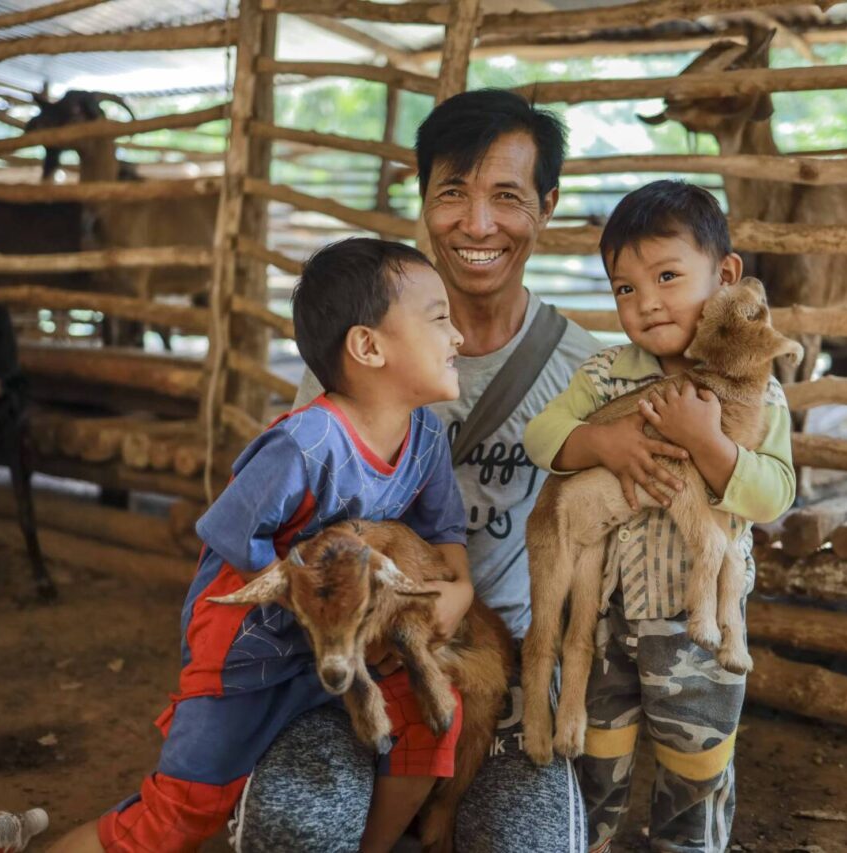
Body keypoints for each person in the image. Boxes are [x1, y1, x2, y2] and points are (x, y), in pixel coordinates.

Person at [239, 90, 687, 853]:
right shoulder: (354, 357)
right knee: (295, 828)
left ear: (545, 206)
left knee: (529, 845)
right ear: (424, 203)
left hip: (508, 680)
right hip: (359, 669)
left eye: (507, 197)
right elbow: (289, 534)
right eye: (453, 193)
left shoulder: (595, 374)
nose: (478, 225)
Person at [46, 238, 473, 852]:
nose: (457, 335)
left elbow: (444, 532)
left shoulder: (426, 438)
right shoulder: (304, 445)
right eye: (438, 318)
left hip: (338, 648)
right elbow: (227, 531)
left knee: (430, 732)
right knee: (177, 819)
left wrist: (457, 589)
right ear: (368, 346)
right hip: (244, 657)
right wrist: (321, 604)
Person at [522, 180, 796, 852]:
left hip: (698, 636)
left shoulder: (760, 389)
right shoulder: (607, 372)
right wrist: (602, 441)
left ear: (725, 275)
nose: (646, 303)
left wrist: (710, 444)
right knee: (595, 765)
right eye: (625, 288)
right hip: (611, 618)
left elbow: (774, 495)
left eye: (668, 276)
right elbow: (540, 435)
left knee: (694, 774)